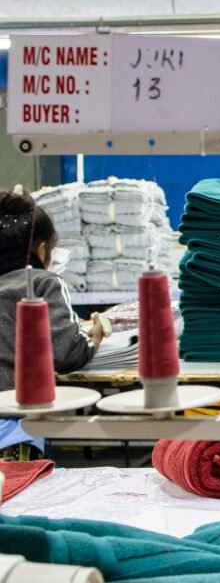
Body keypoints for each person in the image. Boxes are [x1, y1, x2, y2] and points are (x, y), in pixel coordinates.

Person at [0, 187, 104, 461]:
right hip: (15, 427)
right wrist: (94, 335)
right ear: (42, 249)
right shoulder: (43, 283)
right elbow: (66, 353)